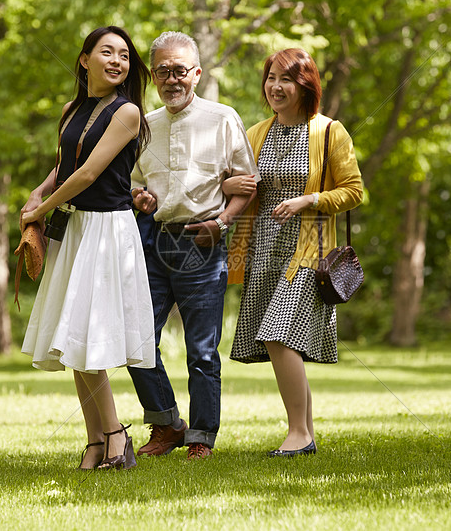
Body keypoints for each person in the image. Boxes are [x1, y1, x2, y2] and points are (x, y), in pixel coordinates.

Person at [20, 26, 154, 471]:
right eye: (106, 52)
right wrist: (37, 196)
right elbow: (64, 167)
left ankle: (116, 437)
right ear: (84, 60)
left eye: (124, 55)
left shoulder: (128, 112)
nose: (117, 61)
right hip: (74, 228)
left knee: (89, 339)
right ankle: (94, 442)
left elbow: (88, 176)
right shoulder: (71, 109)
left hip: (107, 230)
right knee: (72, 337)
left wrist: (42, 212)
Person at [128, 31, 259, 460]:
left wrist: (222, 222)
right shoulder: (143, 125)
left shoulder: (223, 118)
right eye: (162, 71)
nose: (171, 79)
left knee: (202, 352)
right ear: (152, 76)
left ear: (196, 73)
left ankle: (201, 437)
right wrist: (141, 198)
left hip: (203, 243)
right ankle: (166, 425)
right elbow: (135, 188)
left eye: (180, 70)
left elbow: (248, 184)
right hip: (155, 242)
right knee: (136, 339)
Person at [226, 48, 364, 457]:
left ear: (306, 86)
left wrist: (309, 201)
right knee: (277, 339)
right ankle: (303, 433)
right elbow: (235, 184)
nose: (275, 86)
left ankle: (298, 433)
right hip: (263, 250)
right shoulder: (256, 133)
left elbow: (353, 191)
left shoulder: (328, 132)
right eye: (271, 78)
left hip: (309, 252)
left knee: (278, 337)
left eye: (285, 79)